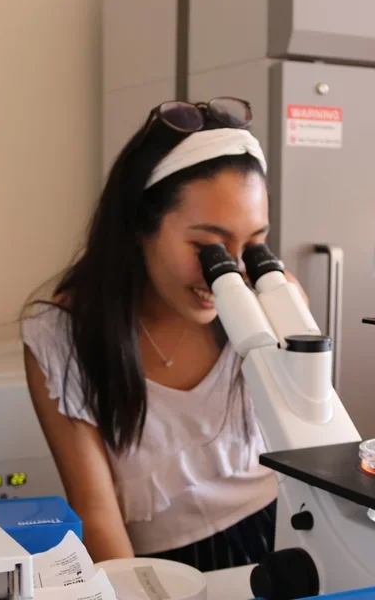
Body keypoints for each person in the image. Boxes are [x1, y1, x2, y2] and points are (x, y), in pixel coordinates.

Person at [22, 97, 309, 571]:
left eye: (254, 245)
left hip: (291, 542)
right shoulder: (61, 338)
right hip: (162, 572)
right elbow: (97, 518)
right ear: (141, 226)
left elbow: (320, 454)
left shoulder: (270, 303)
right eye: (207, 246)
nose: (230, 273)